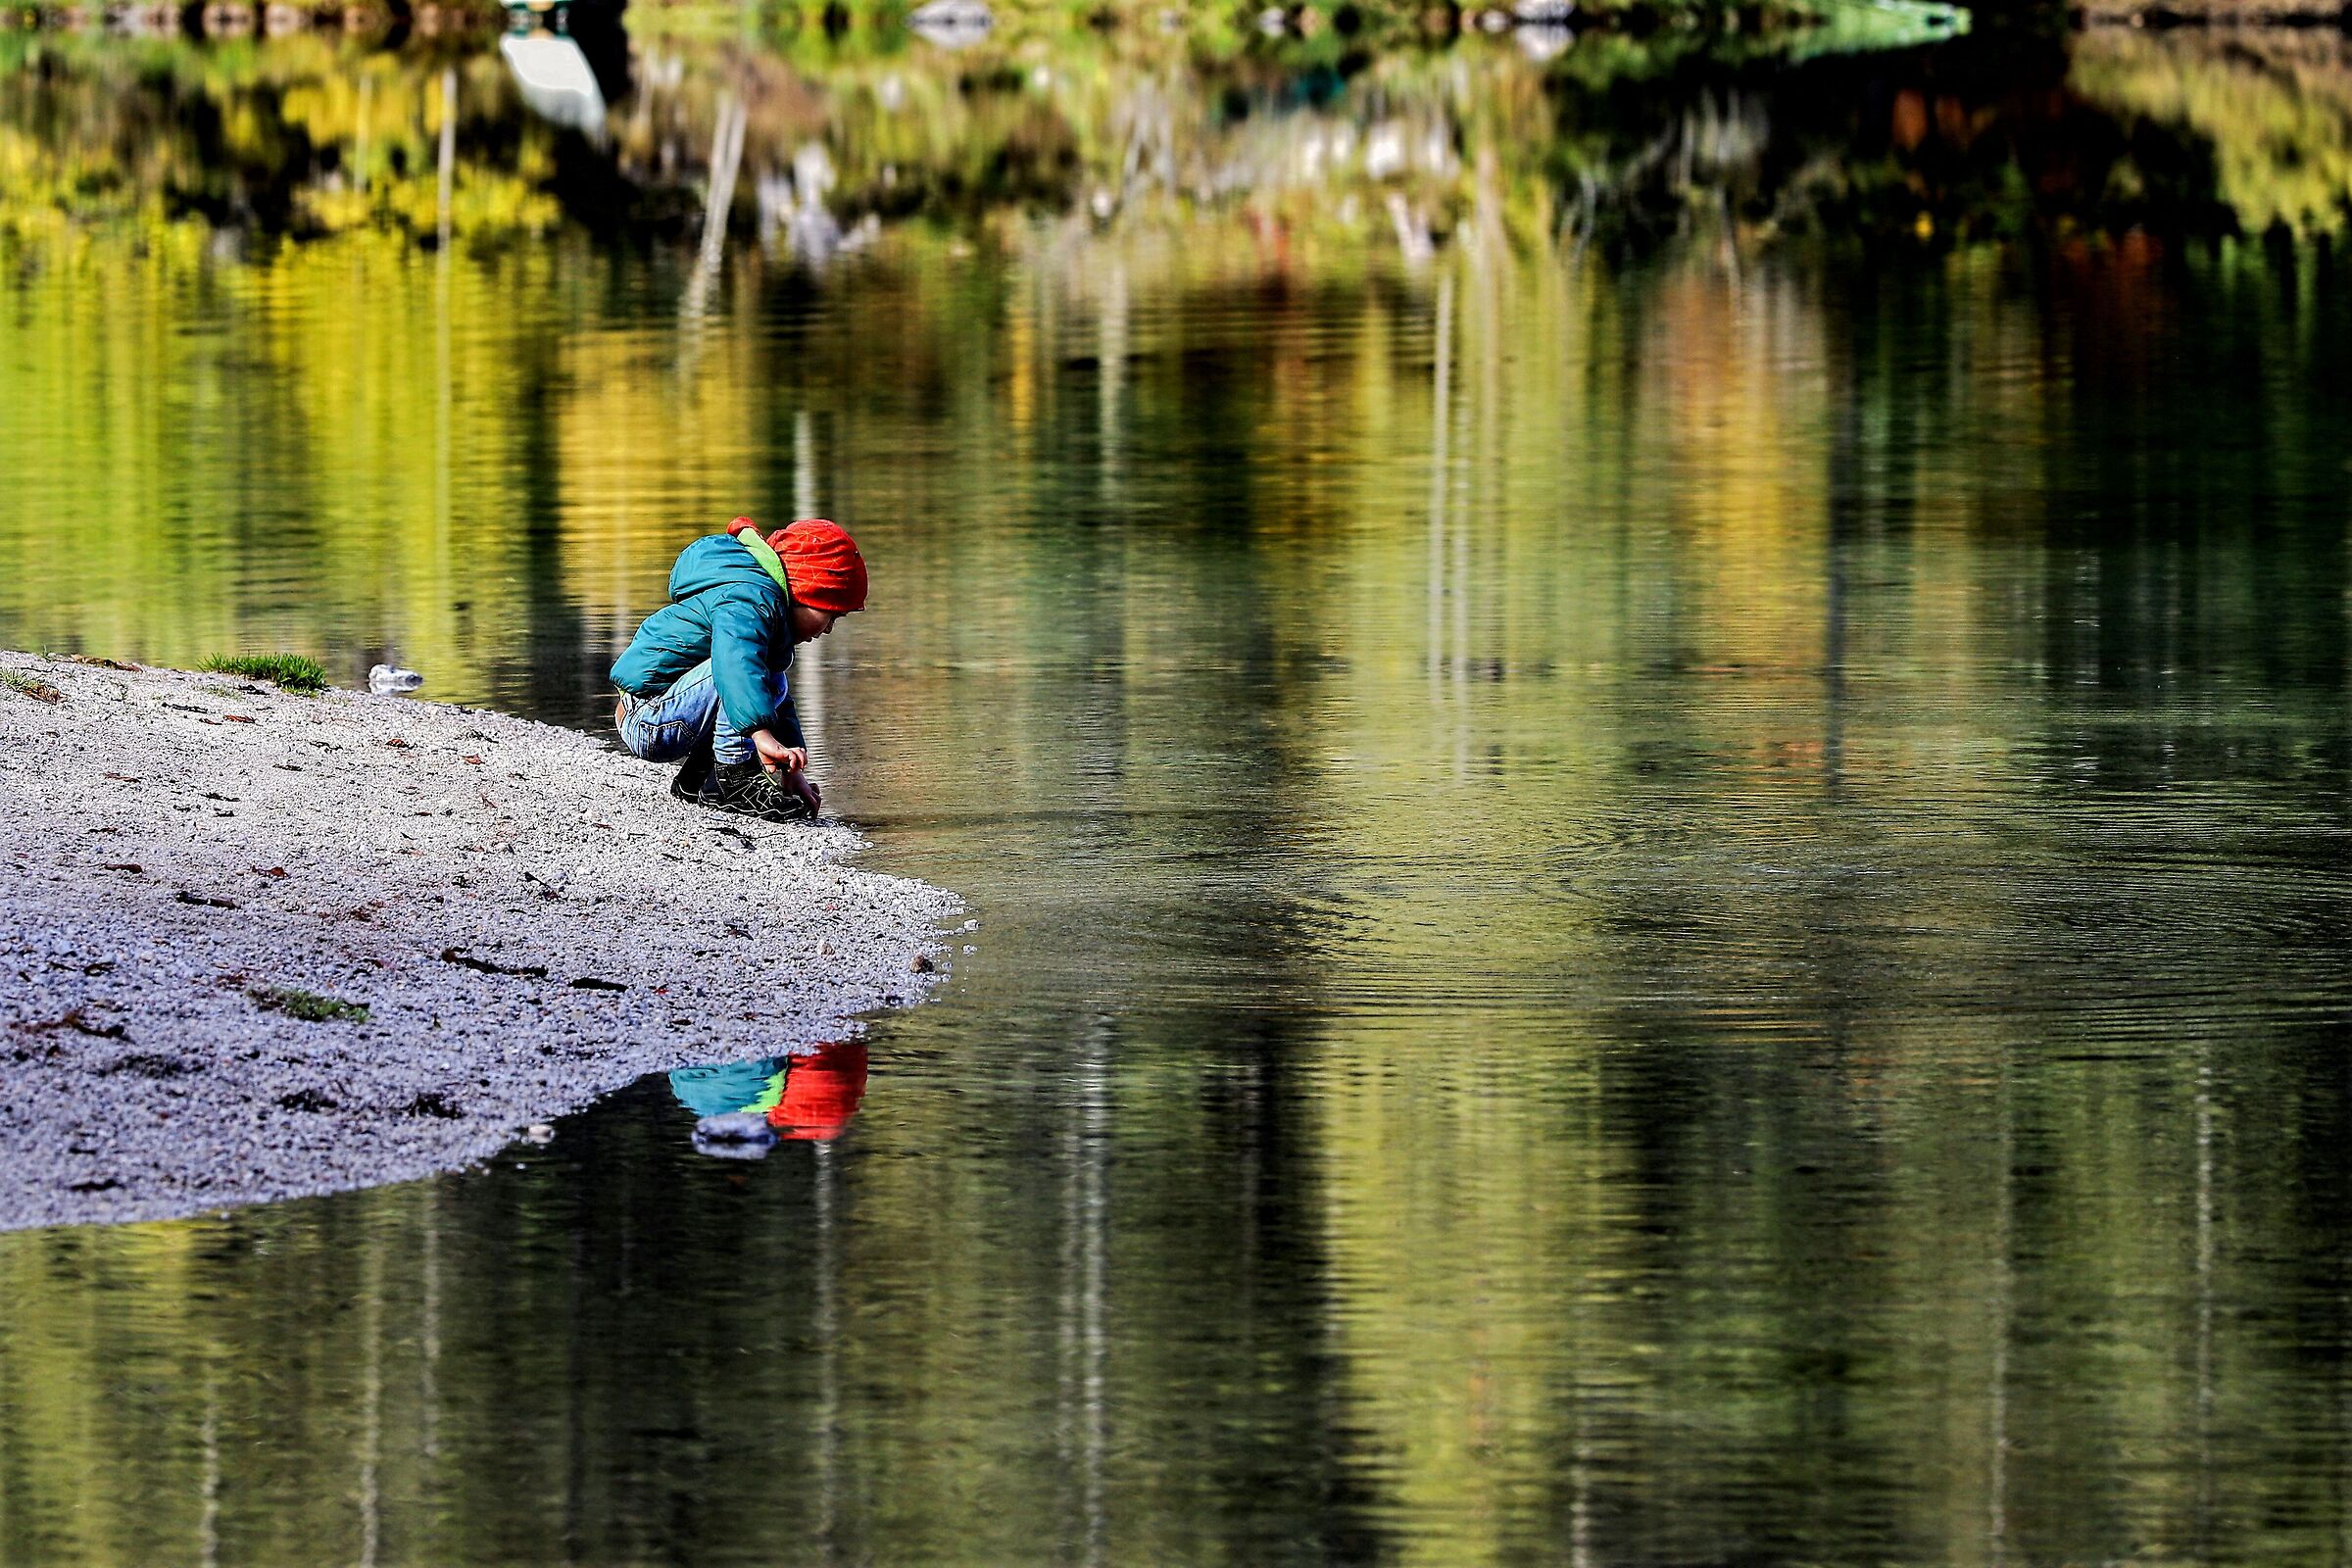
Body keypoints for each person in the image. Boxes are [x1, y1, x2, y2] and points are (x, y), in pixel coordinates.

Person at [611, 516, 866, 818]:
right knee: (746, 673)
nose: (828, 630)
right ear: (805, 591)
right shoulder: (750, 597)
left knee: (768, 680)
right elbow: (735, 665)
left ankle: (699, 780)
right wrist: (759, 734)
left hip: (664, 710)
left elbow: (775, 699)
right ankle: (732, 779)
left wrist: (790, 769)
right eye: (831, 615)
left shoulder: (763, 605)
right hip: (648, 716)